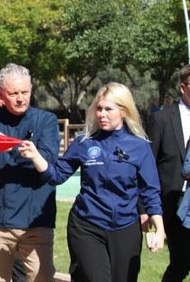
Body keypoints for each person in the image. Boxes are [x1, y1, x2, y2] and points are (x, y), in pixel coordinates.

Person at [20, 82, 165, 282]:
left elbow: (151, 191)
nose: (102, 114)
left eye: (108, 109)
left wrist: (159, 229)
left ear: (123, 111)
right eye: (99, 108)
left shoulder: (139, 146)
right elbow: (57, 175)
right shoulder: (84, 142)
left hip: (125, 228)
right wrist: (36, 156)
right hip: (86, 225)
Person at [0, 63, 60, 282]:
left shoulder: (47, 121)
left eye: (25, 92)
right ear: (0, 94)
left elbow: (49, 162)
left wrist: (11, 147)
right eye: (13, 93)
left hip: (36, 220)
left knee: (41, 278)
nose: (20, 98)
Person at [147, 64, 190, 282]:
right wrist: (145, 209)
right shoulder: (161, 120)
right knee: (181, 263)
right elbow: (148, 166)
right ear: (183, 87)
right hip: (173, 204)